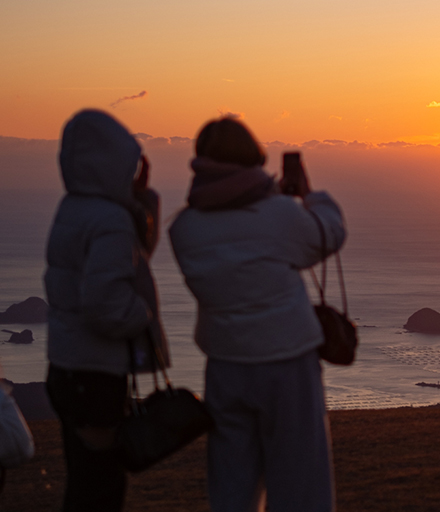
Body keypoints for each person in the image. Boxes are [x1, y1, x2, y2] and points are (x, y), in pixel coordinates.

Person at [169, 118, 345, 512]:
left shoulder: (183, 229)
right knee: (300, 484)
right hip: (288, 363)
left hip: (225, 366)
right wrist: (310, 196)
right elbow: (329, 234)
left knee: (233, 487)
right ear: (253, 156)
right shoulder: (279, 214)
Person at [43, 109, 169, 511]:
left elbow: (129, 262)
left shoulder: (73, 209)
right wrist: (144, 314)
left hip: (66, 366)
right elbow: (107, 305)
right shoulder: (111, 220)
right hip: (95, 377)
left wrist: (141, 202)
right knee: (100, 490)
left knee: (84, 483)